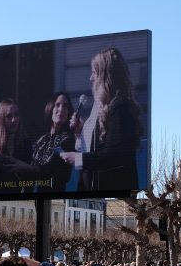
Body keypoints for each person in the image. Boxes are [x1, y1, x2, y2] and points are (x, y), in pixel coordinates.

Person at [61, 47, 143, 191]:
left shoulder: (121, 106)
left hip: (111, 190)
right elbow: (91, 150)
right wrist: (79, 132)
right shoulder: (100, 105)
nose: (90, 78)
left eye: (94, 72)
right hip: (89, 186)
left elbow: (114, 154)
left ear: (106, 75)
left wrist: (77, 158)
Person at [29, 92, 76, 191]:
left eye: (65, 106)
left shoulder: (70, 139)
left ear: (69, 112)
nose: (61, 109)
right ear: (51, 108)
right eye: (57, 105)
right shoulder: (41, 139)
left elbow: (63, 175)